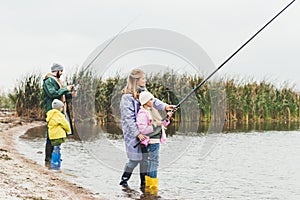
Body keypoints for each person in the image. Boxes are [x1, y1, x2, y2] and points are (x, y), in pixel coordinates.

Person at [119, 68, 174, 189]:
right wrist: (137, 133)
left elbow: (153, 101)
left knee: (145, 159)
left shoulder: (144, 93)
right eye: (143, 78)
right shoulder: (126, 98)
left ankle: (143, 184)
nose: (145, 80)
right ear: (136, 80)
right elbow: (128, 119)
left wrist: (165, 107)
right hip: (134, 132)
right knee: (135, 159)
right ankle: (124, 180)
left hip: (146, 131)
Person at [136, 91, 173, 195]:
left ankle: (148, 189)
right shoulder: (143, 113)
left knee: (152, 163)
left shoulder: (153, 111)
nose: (153, 101)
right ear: (145, 101)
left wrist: (167, 117)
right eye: (151, 99)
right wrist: (156, 124)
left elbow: (163, 124)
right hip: (151, 142)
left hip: (156, 141)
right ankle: (152, 188)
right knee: (154, 163)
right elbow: (143, 129)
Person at [43, 63, 75, 162]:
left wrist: (71, 94)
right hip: (52, 111)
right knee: (50, 135)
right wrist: (66, 89)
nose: (61, 73)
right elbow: (53, 94)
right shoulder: (48, 81)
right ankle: (48, 159)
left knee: (57, 134)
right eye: (60, 71)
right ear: (56, 71)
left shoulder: (58, 81)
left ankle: (54, 157)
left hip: (60, 111)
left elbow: (62, 95)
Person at [46, 99, 71, 169]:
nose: (62, 109)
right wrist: (68, 130)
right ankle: (55, 163)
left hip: (52, 135)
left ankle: (57, 161)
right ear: (59, 108)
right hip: (58, 135)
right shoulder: (59, 115)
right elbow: (65, 124)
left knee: (56, 148)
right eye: (62, 107)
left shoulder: (50, 115)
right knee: (57, 148)